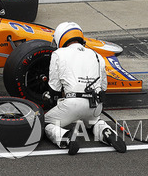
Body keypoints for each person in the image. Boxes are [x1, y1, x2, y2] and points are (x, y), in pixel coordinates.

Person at [44, 22, 127, 155]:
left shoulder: (58, 54)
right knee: (93, 122)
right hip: (95, 105)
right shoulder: (96, 55)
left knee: (44, 123)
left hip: (72, 104)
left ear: (60, 37)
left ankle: (65, 137)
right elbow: (104, 87)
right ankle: (107, 132)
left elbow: (54, 88)